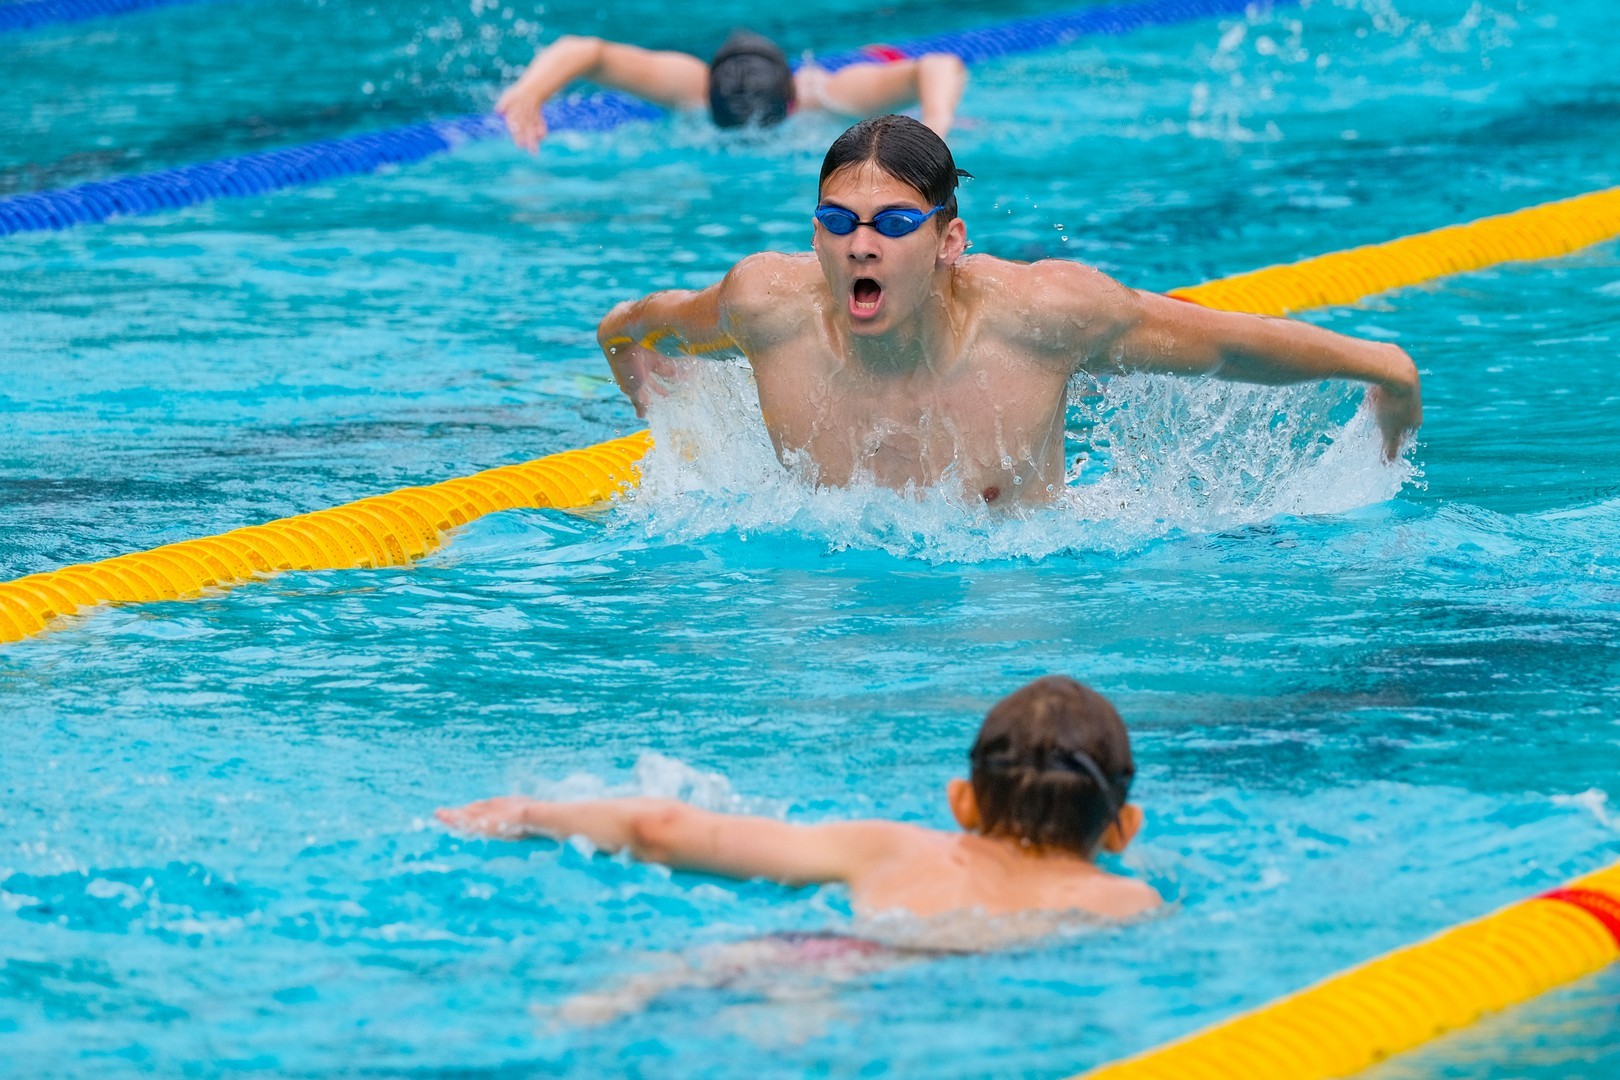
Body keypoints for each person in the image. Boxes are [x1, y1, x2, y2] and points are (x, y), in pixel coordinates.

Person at [595, 114, 1424, 507]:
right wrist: (650, 391)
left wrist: (1381, 367)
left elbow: (1227, 347)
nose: (861, 246)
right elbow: (644, 326)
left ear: (948, 239)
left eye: (893, 224)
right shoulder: (766, 307)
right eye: (838, 222)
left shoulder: (1041, 318)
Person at [437, 675, 1160, 923]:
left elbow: (661, 827)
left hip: (830, 963)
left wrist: (529, 812)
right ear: (1123, 828)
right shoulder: (1128, 904)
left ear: (962, 804)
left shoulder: (890, 847)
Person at [495, 29, 968, 152]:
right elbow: (585, 50)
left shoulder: (826, 92)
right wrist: (529, 91)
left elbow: (940, 65)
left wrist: (938, 122)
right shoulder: (691, 86)